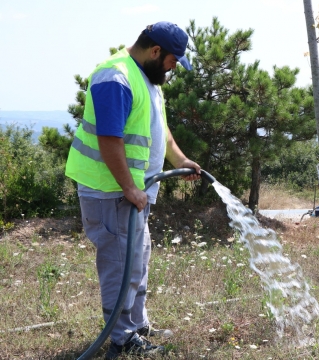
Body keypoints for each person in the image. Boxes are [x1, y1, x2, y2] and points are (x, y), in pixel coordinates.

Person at [65, 21, 201, 359]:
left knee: (137, 261)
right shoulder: (116, 78)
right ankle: (123, 339)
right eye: (172, 61)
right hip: (110, 192)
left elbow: (161, 130)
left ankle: (137, 326)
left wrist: (181, 160)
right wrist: (129, 187)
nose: (173, 68)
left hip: (133, 193)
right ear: (155, 51)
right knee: (119, 264)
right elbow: (109, 140)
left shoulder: (148, 79)